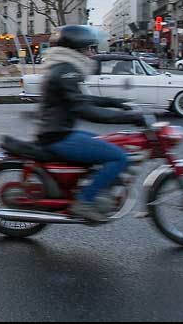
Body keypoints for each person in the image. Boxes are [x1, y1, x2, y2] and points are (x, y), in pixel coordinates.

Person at [35, 25, 146, 223]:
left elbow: (81, 100)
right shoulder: (66, 71)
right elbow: (84, 110)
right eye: (89, 48)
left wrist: (116, 103)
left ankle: (87, 186)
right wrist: (127, 117)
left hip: (59, 131)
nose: (92, 53)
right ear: (77, 49)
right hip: (59, 136)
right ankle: (84, 201)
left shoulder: (64, 68)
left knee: (106, 143)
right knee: (118, 157)